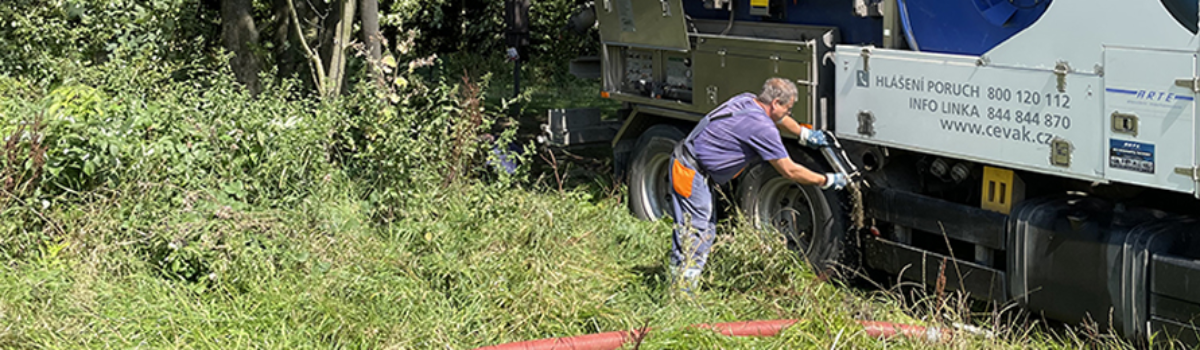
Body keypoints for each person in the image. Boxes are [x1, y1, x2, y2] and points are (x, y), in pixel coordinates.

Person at [668, 77, 848, 292]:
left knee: (705, 230)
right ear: (776, 104)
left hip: (690, 163)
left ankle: (685, 282)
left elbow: (779, 119)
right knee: (695, 232)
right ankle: (682, 291)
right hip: (690, 172)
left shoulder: (748, 100)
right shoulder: (762, 128)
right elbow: (789, 170)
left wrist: (803, 134)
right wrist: (826, 180)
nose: (788, 114)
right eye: (788, 109)